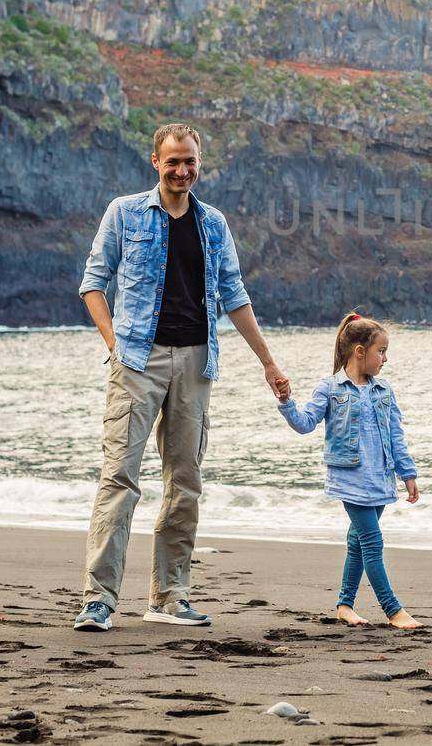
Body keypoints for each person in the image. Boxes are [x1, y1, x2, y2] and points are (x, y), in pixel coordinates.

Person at [73, 123, 289, 632]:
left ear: (199, 163)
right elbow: (92, 283)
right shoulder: (124, 212)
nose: (182, 170)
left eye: (189, 161)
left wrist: (268, 362)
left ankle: (169, 597)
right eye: (172, 162)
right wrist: (115, 344)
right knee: (119, 478)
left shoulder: (213, 224)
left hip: (196, 363)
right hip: (137, 362)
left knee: (185, 483)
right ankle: (98, 600)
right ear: (155, 162)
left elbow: (234, 294)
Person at [275, 313, 422, 629]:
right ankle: (393, 610)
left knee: (357, 542)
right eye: (380, 351)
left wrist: (408, 475)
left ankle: (345, 605)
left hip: (380, 478)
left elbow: (396, 437)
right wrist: (287, 402)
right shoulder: (330, 388)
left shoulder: (384, 391)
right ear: (359, 351)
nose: (385, 358)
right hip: (350, 479)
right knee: (372, 542)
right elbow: (304, 424)